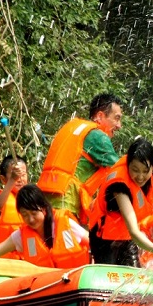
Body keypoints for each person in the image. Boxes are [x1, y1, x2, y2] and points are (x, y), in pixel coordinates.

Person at [85, 137, 153, 266]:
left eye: (145, 171)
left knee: (134, 273)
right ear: (128, 165)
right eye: (135, 170)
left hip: (129, 238)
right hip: (105, 239)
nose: (140, 176)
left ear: (152, 164)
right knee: (110, 276)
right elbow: (134, 231)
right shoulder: (119, 187)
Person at [0, 184, 90, 282]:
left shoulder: (66, 224)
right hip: (44, 288)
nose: (31, 219)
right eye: (25, 215)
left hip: (75, 283)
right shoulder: (21, 237)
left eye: (34, 213)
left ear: (44, 208)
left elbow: (92, 243)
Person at [37, 92, 123, 220]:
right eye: (116, 118)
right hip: (65, 205)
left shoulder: (73, 128)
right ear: (100, 116)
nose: (119, 125)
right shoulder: (97, 136)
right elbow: (122, 169)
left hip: (42, 203)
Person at [0, 154, 28, 257]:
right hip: (2, 257)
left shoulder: (31, 198)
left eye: (23, 174)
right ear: (4, 179)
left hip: (24, 258)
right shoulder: (0, 198)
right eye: (15, 175)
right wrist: (12, 180)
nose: (20, 179)